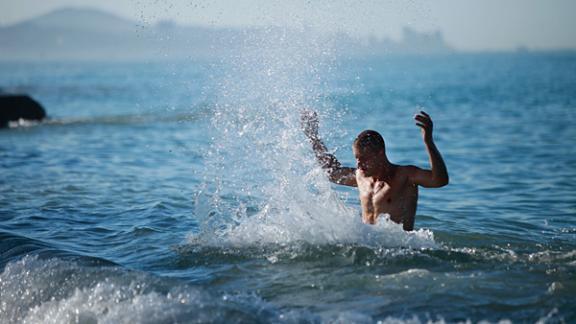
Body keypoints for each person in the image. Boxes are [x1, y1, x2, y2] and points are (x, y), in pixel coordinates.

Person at [301, 110, 449, 231]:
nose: (359, 164)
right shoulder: (361, 177)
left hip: (399, 250)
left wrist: (428, 141)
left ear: (380, 153)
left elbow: (440, 180)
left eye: (364, 158)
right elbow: (332, 173)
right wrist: (313, 137)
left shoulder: (405, 176)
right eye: (357, 158)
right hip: (369, 248)